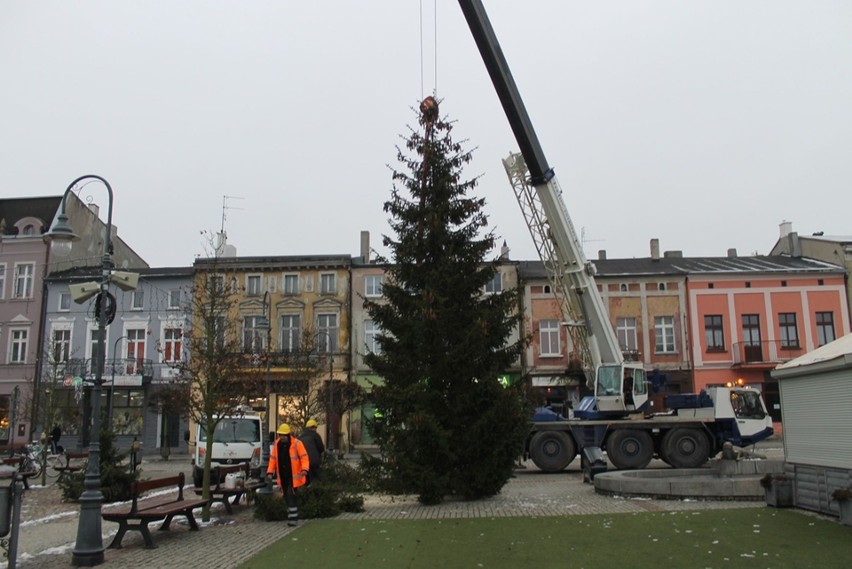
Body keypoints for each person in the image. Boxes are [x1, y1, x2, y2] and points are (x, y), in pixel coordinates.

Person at [267, 423, 310, 526]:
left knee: (290, 495)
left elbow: (304, 457)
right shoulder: (277, 445)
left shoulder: (296, 444)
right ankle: (291, 516)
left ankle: (293, 519)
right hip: (283, 475)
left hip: (293, 476)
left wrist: (304, 469)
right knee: (286, 496)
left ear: (288, 435)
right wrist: (270, 471)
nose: (281, 437)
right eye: (280, 435)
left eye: (283, 435)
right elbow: (273, 459)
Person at [298, 418, 325, 484]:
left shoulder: (300, 437)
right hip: (315, 461)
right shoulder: (315, 435)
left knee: (306, 480)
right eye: (315, 428)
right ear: (313, 428)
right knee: (316, 479)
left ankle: (307, 491)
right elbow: (321, 448)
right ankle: (316, 491)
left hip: (304, 463)